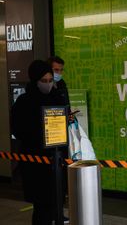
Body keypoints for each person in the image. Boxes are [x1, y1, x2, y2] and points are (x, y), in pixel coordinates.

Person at [11, 60, 67, 225]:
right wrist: (39, 133)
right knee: (42, 208)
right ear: (35, 80)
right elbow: (18, 130)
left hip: (56, 162)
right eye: (44, 81)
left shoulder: (56, 97)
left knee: (55, 206)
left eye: (50, 81)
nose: (48, 84)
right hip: (36, 164)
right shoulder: (24, 102)